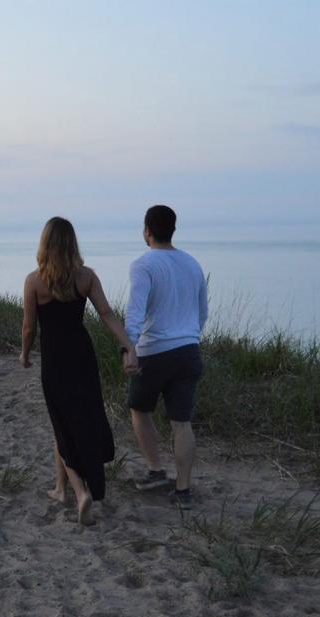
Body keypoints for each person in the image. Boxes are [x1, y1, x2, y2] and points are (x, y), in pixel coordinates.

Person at [20, 217, 138, 525]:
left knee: (61, 423)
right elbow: (107, 314)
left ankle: (79, 491)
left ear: (45, 243)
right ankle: (60, 489)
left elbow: (29, 326)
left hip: (55, 359)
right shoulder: (86, 277)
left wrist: (24, 354)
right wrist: (129, 346)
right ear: (72, 243)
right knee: (83, 417)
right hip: (82, 356)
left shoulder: (34, 281)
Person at [124, 205, 208, 508]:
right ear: (172, 230)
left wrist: (128, 349)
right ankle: (183, 490)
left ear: (147, 231)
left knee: (139, 408)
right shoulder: (192, 264)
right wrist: (189, 337)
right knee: (181, 422)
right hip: (188, 350)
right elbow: (202, 313)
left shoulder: (143, 264)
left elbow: (134, 312)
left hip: (154, 352)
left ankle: (156, 470)